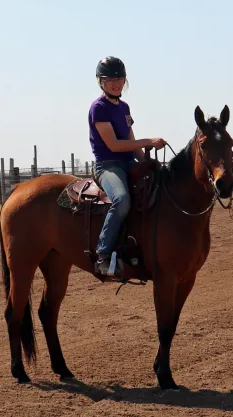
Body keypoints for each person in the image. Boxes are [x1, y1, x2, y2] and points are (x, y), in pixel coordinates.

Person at [89, 56, 167, 277]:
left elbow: (130, 139)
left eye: (119, 79)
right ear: (101, 82)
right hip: (107, 165)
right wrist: (147, 141)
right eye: (110, 79)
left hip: (128, 162)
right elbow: (113, 144)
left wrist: (145, 162)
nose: (116, 83)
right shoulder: (99, 108)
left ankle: (139, 246)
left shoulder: (124, 107)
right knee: (122, 200)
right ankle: (103, 254)